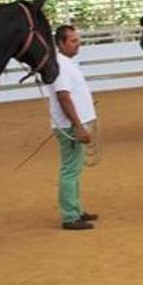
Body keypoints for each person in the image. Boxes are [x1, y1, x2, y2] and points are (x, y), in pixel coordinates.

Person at [46, 25, 99, 231]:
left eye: (77, 40)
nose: (78, 44)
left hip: (73, 124)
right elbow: (63, 97)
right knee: (70, 170)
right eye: (73, 41)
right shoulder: (61, 66)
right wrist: (78, 126)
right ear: (60, 43)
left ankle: (75, 209)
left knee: (74, 169)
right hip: (70, 126)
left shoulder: (66, 64)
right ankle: (70, 216)